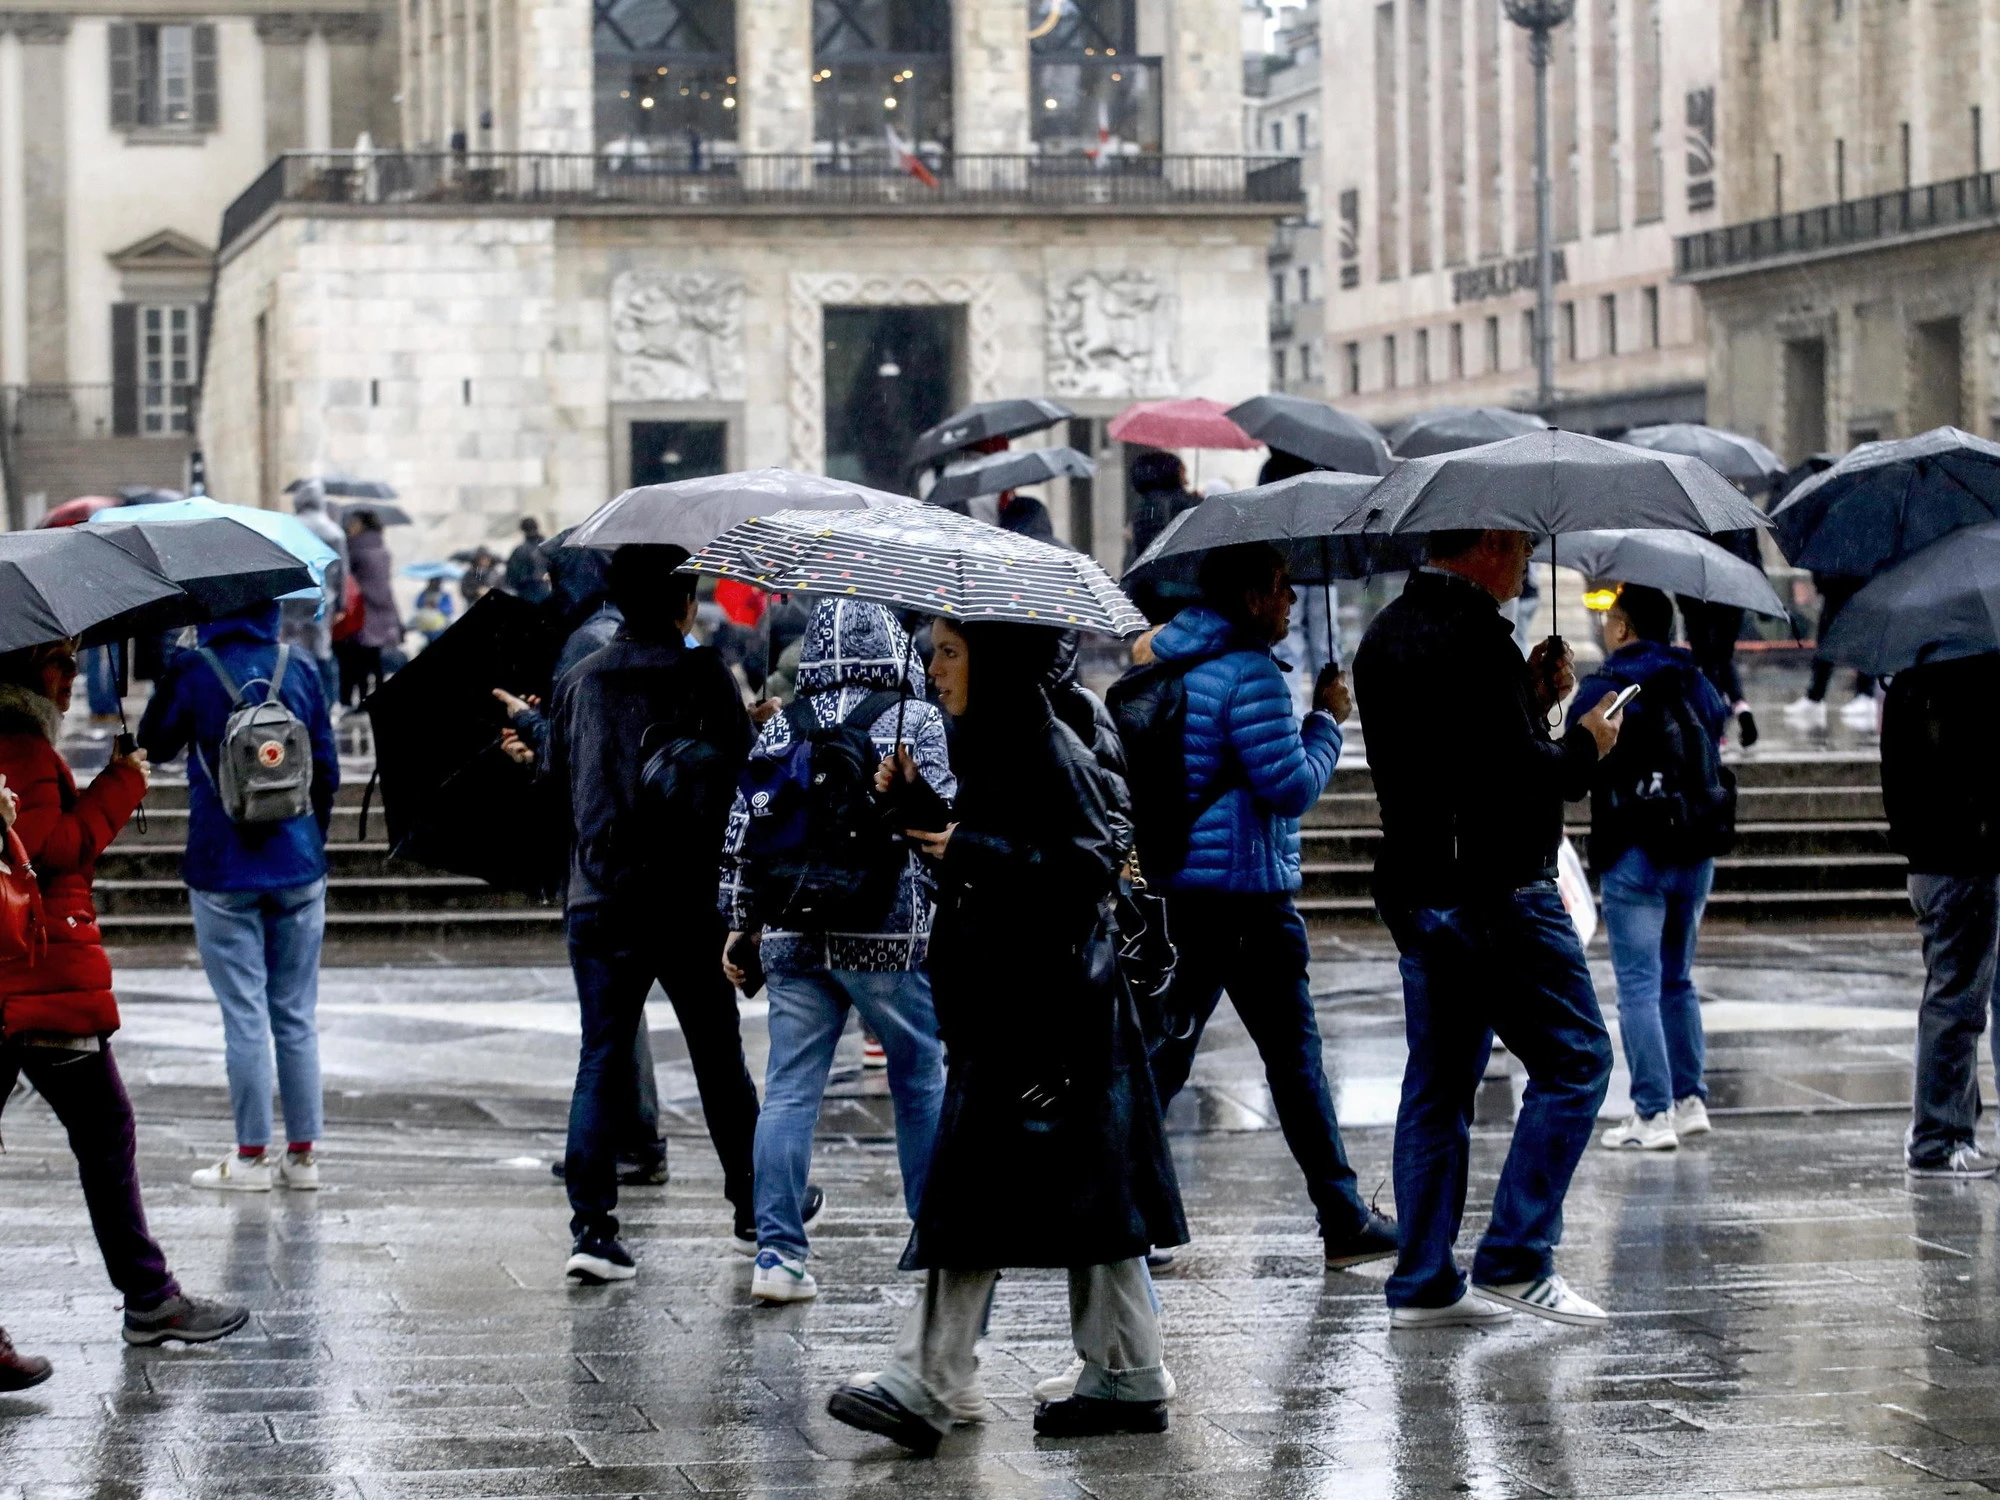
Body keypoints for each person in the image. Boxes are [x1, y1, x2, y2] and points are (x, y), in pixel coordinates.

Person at [827, 619, 1187, 1452]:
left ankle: (927, 1380)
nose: (933, 666)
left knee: (966, 1193)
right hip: (1038, 1007)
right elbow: (1000, 849)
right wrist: (915, 807)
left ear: (993, 659)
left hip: (1040, 1011)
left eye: (950, 652)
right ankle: (1127, 1371)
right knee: (1095, 1196)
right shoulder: (995, 732)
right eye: (933, 652)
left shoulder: (1038, 736)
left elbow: (1088, 862)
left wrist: (969, 844)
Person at [1353, 528, 1624, 1330]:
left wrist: (1531, 705)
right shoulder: (1475, 641)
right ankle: (1516, 1255)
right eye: (1520, 547)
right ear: (1489, 546)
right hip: (1496, 892)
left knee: (1438, 1085)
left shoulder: (1386, 635)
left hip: (1421, 889)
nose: (1524, 564)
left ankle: (1426, 1280)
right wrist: (1586, 742)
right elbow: (1517, 779)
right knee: (1577, 1060)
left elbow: (1458, 760)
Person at [1135, 543, 1397, 1270]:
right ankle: (1342, 1218)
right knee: (1295, 1063)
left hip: (1184, 893)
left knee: (1166, 1056)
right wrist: (1325, 721)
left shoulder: (1168, 658)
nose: (1289, 603)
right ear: (1250, 597)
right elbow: (1289, 789)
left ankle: (1121, 1208)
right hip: (1248, 898)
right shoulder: (1249, 674)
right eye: (1280, 589)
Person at [0, 642, 248, 1347]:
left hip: (19, 976)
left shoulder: (19, 741)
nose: (72, 676)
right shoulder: (18, 741)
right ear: (25, 670)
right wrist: (120, 786)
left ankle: (147, 1295)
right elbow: (53, 852)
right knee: (107, 1132)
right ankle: (150, 1296)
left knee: (105, 1133)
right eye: (59, 662)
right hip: (42, 975)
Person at [718, 599, 950, 1304]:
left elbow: (743, 830)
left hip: (791, 927)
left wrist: (740, 921)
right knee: (919, 1081)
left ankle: (778, 1257)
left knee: (789, 1088)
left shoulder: (783, 720)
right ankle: (934, 1241)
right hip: (886, 929)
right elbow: (941, 817)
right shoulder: (916, 719)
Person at [543, 545, 760, 1284]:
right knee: (717, 1055)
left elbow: (558, 786)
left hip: (601, 897)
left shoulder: (579, 681)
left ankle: (592, 1228)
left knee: (600, 1056)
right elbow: (746, 777)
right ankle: (753, 1207)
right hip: (687, 899)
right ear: (683, 603)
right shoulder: (704, 672)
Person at [139, 604, 340, 1191]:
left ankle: (250, 1157)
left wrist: (167, 667)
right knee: (296, 1015)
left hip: (222, 865)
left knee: (245, 1016)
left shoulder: (194, 668)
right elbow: (323, 765)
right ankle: (302, 1158)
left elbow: (154, 744)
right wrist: (310, 841)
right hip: (299, 863)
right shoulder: (297, 664)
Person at [1568, 586, 1729, 1153]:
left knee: (1637, 984)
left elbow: (1574, 763)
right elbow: (1718, 729)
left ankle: (1650, 1112)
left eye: (1611, 618)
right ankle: (1689, 1101)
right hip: (1693, 845)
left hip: (1634, 848)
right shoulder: (1693, 678)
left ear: (1622, 627)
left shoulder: (1606, 684)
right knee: (1677, 977)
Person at [1882, 651, 2000, 1178]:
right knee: (1958, 1004)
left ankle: (1950, 1127)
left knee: (1957, 998)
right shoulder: (1968, 687)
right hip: (1964, 860)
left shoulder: (1907, 684)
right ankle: (1939, 1137)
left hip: (1932, 860)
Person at [1785, 573, 1876, 732]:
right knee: (1827, 644)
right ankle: (1816, 696)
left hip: (1852, 586)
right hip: (1839, 587)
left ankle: (1865, 694)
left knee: (1861, 641)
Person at [288, 485, 351, 708]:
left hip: (292, 598)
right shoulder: (333, 532)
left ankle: (296, 699)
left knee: (291, 650)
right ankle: (327, 703)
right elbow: (342, 572)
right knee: (321, 651)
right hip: (323, 599)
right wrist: (342, 604)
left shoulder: (288, 527)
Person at [336, 508, 402, 707]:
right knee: (375, 658)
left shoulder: (354, 549)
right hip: (383, 606)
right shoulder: (383, 549)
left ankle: (362, 699)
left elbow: (347, 577)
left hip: (362, 609)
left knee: (359, 658)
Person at [503, 517, 553, 604]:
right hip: (547, 591)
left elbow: (511, 577)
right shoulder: (550, 547)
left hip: (527, 592)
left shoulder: (519, 551)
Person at [411, 579, 455, 645]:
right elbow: (418, 605)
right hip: (425, 623)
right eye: (433, 582)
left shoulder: (444, 595)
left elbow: (448, 610)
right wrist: (425, 603)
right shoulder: (423, 594)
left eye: (437, 582)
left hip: (439, 625)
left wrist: (437, 606)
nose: (435, 584)